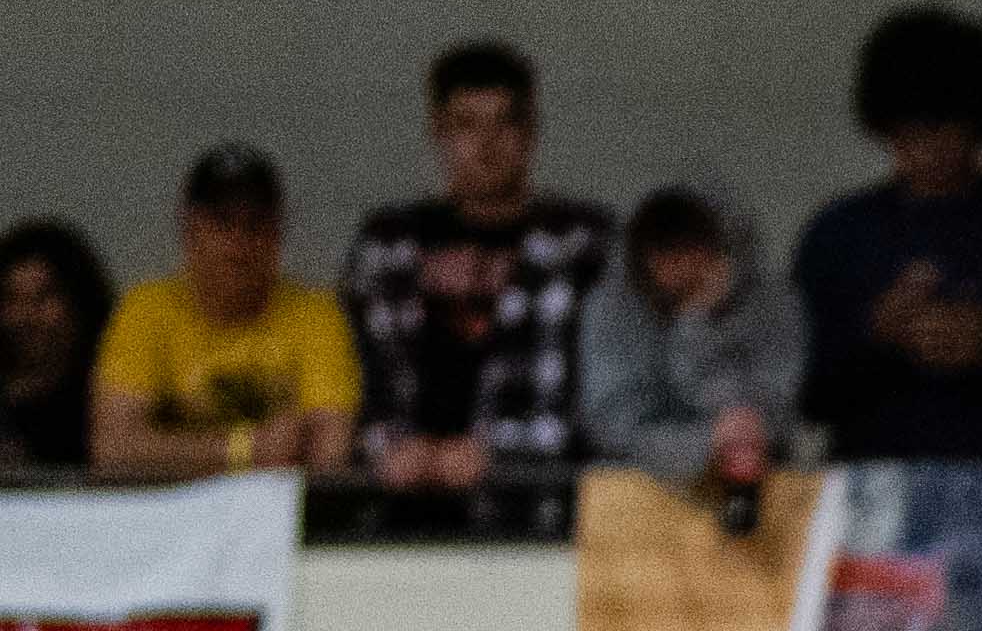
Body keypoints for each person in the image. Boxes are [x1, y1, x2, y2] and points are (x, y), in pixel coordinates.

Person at [794, 3, 982, 463]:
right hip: (879, 485)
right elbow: (799, 395)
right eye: (908, 132)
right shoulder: (839, 234)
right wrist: (876, 334)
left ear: (979, 124)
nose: (927, 150)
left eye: (944, 127)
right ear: (883, 128)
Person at [341, 40, 614, 512]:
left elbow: (603, 396)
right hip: (394, 515)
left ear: (531, 132)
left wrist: (495, 451)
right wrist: (388, 447)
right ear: (437, 132)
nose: (485, 146)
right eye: (465, 126)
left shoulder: (584, 243)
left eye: (504, 124)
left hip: (536, 513)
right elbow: (356, 383)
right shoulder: (386, 243)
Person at [96, 145, 366, 478]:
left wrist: (170, 449)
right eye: (223, 224)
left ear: (277, 234)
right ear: (190, 230)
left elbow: (328, 454)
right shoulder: (146, 309)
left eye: (255, 225)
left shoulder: (315, 313)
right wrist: (247, 448)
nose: (239, 244)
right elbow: (112, 448)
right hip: (169, 514)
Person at [580, 187, 804, 500]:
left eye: (692, 249)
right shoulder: (613, 306)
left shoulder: (771, 303)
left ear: (718, 249)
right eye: (666, 253)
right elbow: (612, 425)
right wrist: (704, 442)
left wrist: (698, 324)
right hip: (635, 498)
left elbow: (771, 417)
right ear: (643, 257)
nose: (681, 267)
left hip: (755, 494)